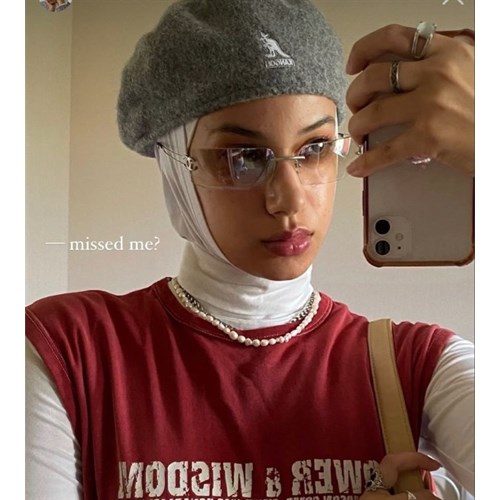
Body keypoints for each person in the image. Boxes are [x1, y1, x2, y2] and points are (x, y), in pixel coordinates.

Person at [25, 1, 474, 499]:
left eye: (314, 149)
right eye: (242, 157)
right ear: (175, 167)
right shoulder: (68, 351)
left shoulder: (419, 365)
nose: (289, 199)